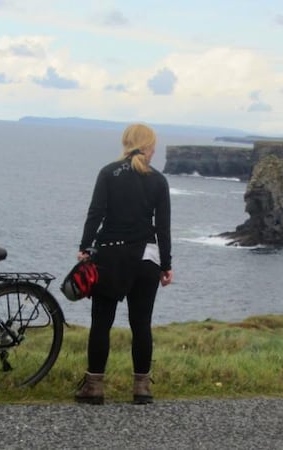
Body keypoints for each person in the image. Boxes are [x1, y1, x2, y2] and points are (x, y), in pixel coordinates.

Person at [74, 123, 173, 405]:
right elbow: (163, 227)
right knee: (141, 324)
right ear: (148, 146)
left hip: (110, 257)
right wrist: (166, 265)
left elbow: (95, 214)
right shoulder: (158, 180)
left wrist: (84, 247)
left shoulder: (108, 173)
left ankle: (94, 387)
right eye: (154, 146)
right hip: (146, 258)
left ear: (126, 143)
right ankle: (141, 388)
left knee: (101, 323)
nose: (155, 151)